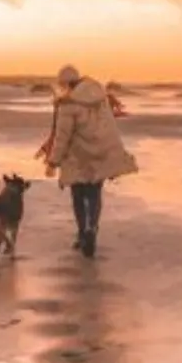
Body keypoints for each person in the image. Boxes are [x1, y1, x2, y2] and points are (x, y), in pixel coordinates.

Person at [35, 65, 138, 258]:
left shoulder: (68, 104)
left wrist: (53, 162)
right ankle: (92, 228)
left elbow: (62, 136)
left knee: (78, 196)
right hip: (100, 153)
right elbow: (110, 128)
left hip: (78, 157)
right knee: (94, 194)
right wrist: (113, 154)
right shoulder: (100, 97)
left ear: (65, 84)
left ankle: (82, 232)